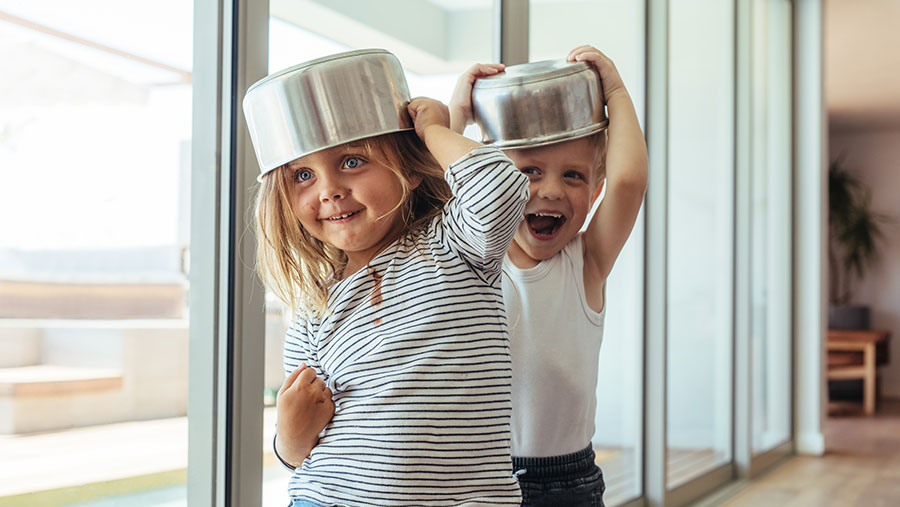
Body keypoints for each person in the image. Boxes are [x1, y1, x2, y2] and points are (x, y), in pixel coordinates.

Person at [248, 51, 530, 506]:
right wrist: (287, 436)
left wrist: (433, 131)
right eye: (303, 174)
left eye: (352, 161)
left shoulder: (455, 245)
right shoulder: (313, 304)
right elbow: (299, 449)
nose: (329, 189)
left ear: (409, 166)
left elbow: (500, 185)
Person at [449, 45, 648, 506]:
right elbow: (437, 194)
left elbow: (628, 181)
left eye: (574, 176)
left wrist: (615, 91)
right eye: (529, 171)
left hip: (567, 483)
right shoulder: (468, 255)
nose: (552, 190)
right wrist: (455, 118)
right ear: (491, 184)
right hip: (478, 477)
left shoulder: (586, 263)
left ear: (595, 189)